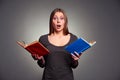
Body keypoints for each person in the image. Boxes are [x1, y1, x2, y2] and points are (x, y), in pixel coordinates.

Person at [32, 8, 81, 80]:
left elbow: (74, 66)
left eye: (61, 18)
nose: (58, 21)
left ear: (65, 21)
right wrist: (39, 59)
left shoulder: (73, 39)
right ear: (51, 21)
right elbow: (42, 65)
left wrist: (75, 60)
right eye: (55, 18)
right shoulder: (43, 39)